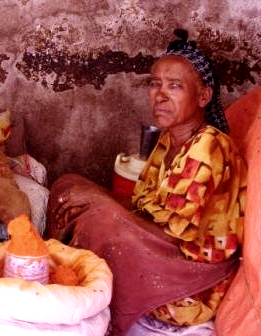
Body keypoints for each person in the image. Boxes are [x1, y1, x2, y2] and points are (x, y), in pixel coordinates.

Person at [46, 29, 247, 335]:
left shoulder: (209, 147)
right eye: (155, 84)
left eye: (175, 86)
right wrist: (88, 197)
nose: (160, 95)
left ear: (203, 96)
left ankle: (77, 289)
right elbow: (144, 207)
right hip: (163, 250)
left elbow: (172, 233)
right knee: (69, 184)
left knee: (102, 219)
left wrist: (99, 206)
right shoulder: (169, 139)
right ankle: (62, 270)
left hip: (191, 280)